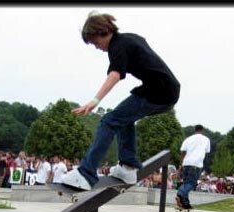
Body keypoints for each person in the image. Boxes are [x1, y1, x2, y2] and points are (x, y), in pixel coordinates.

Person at [61, 11, 180, 190]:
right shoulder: (129, 38)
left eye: (95, 42)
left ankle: (86, 173)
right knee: (123, 118)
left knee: (108, 121)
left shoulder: (117, 46)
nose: (96, 47)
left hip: (158, 92)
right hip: (165, 90)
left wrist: (94, 100)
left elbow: (115, 74)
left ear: (102, 32)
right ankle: (128, 167)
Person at [176, 125, 210, 210]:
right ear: (202, 130)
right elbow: (206, 152)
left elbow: (182, 152)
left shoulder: (188, 139)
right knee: (191, 183)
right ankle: (180, 194)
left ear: (194, 130)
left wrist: (180, 165)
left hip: (186, 163)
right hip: (196, 164)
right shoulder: (206, 139)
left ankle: (185, 204)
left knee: (186, 183)